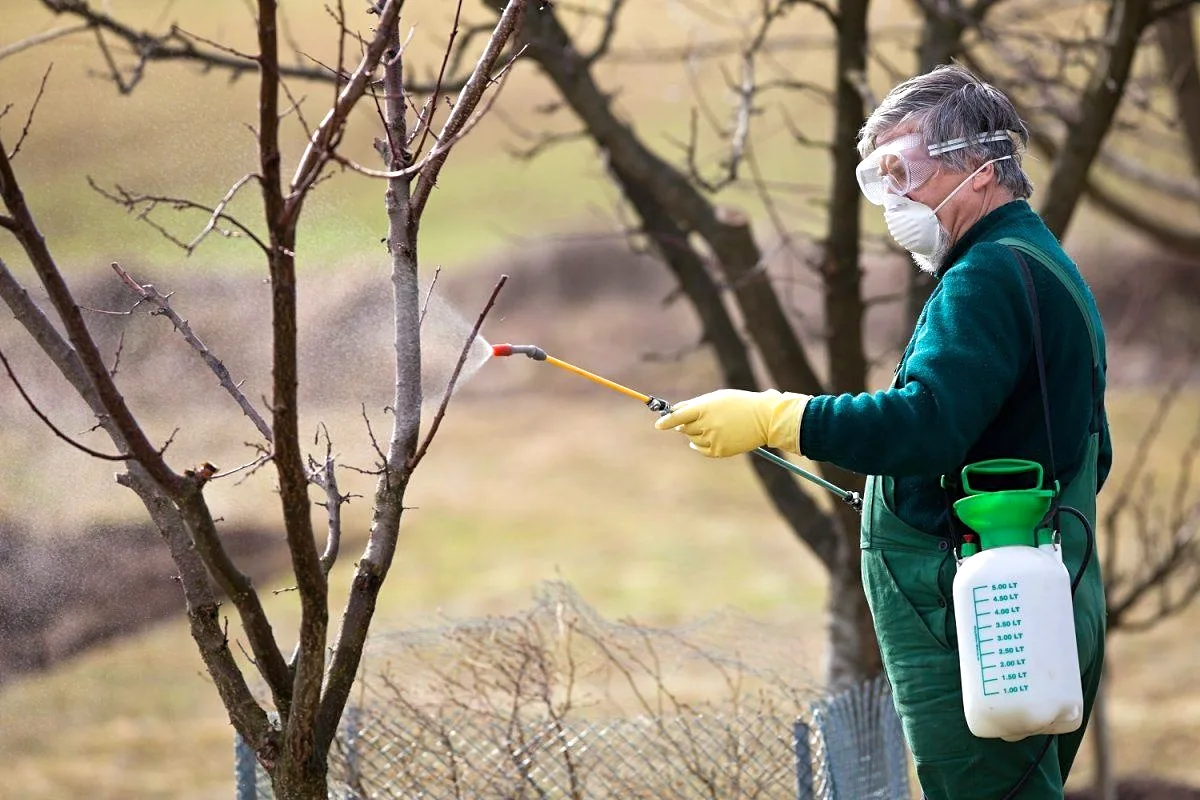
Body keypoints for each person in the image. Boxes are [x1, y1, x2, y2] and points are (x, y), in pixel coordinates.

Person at [654, 63, 1111, 800]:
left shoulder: (987, 277)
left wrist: (780, 416)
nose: (894, 197)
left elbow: (923, 425)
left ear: (982, 167)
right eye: (881, 176)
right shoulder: (1035, 263)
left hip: (983, 616)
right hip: (1028, 598)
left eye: (906, 170)